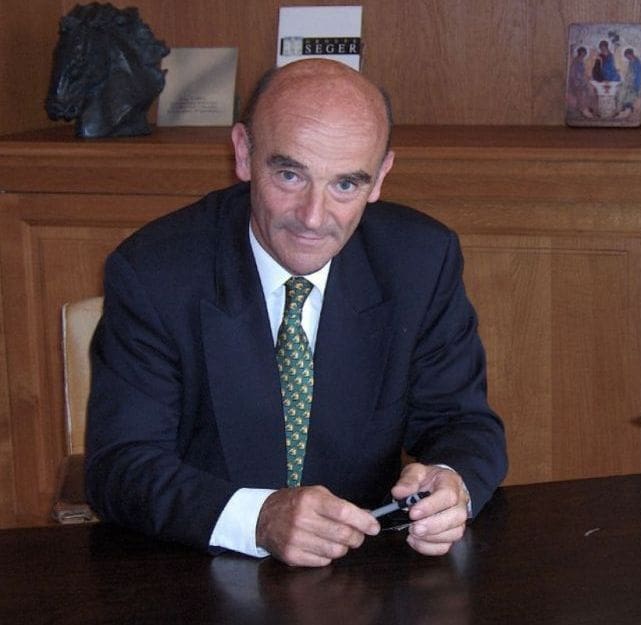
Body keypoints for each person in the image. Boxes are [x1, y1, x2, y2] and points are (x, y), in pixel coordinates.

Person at [84, 59, 508, 567]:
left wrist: (450, 480)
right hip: (197, 569)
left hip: (363, 572)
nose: (313, 217)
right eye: (290, 174)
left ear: (380, 178)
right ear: (243, 153)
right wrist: (259, 518)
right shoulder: (155, 271)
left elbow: (464, 423)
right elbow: (120, 465)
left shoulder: (420, 260)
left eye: (346, 185)